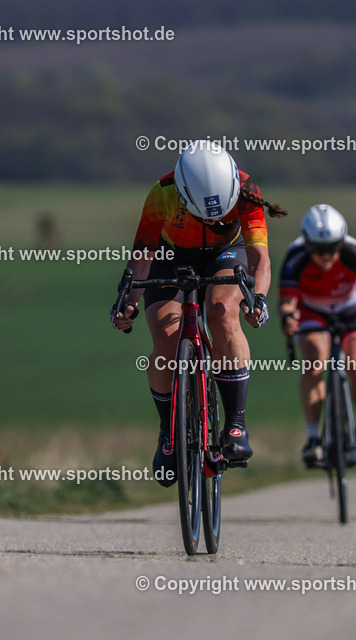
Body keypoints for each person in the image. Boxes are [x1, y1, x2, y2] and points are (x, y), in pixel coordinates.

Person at [112, 143, 286, 487]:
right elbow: (142, 255)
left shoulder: (247, 189)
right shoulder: (162, 194)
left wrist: (260, 299)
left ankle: (235, 424)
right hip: (171, 257)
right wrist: (128, 300)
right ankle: (168, 432)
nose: (213, 220)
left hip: (227, 254)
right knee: (165, 338)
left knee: (222, 312)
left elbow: (260, 259)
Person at [278, 204, 356, 468]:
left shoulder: (354, 251)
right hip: (312, 311)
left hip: (352, 309)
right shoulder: (295, 255)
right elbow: (287, 301)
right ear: (307, 244)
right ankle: (312, 439)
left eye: (333, 248)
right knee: (313, 365)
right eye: (319, 250)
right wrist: (288, 316)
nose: (327, 255)